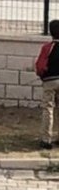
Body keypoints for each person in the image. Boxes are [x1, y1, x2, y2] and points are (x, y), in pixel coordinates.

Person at [35, 19, 59, 149]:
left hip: (50, 80)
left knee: (48, 109)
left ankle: (46, 139)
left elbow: (40, 66)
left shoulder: (47, 48)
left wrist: (42, 76)